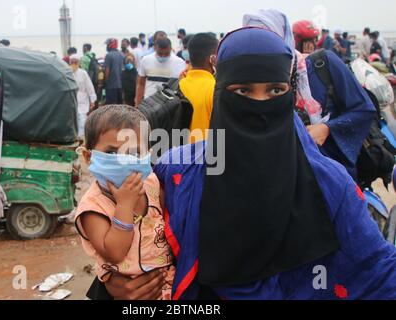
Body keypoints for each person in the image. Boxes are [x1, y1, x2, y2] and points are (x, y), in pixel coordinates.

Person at [98, 27, 396, 301]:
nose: (260, 106)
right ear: (222, 92)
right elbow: (137, 242)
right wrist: (113, 282)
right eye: (243, 91)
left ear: (289, 93)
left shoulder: (328, 182)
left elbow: (378, 270)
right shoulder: (178, 172)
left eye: (275, 91)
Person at [75, 105, 175, 300]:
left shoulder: (152, 183)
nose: (124, 160)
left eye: (134, 153)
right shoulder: (93, 207)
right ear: (88, 156)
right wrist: (124, 205)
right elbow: (115, 253)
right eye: (112, 153)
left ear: (148, 155)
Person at [293, 20, 376, 178]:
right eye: (305, 43)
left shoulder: (325, 63)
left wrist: (327, 128)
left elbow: (363, 109)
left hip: (337, 170)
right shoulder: (274, 81)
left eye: (311, 42)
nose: (309, 47)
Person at [179, 33, 218, 143]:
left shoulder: (178, 84)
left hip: (179, 154)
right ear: (212, 58)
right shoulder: (215, 89)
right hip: (205, 155)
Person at [135, 38, 186, 106]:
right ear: (155, 48)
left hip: (169, 106)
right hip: (149, 104)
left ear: (170, 49)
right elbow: (141, 84)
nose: (163, 56)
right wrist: (137, 104)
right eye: (160, 53)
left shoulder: (180, 63)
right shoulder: (146, 60)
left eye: (166, 54)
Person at [70, 54, 97, 138]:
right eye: (72, 62)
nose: (74, 63)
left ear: (79, 62)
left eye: (76, 62)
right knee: (73, 121)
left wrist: (92, 100)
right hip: (71, 100)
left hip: (82, 100)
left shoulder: (83, 73)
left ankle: (82, 139)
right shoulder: (67, 72)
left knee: (82, 120)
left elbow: (89, 87)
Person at [104, 38, 125, 105]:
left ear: (110, 45)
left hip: (111, 85)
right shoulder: (122, 54)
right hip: (121, 85)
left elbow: (107, 70)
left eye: (107, 45)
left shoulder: (108, 55)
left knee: (111, 106)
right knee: (120, 105)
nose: (106, 46)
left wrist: (105, 82)